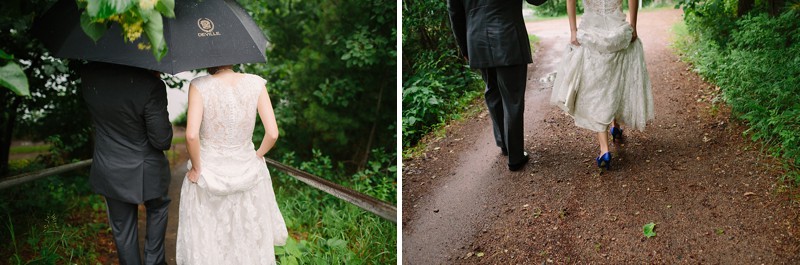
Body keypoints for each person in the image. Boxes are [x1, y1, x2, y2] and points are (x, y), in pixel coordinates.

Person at [176, 65, 288, 264]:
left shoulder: (199, 85)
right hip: (248, 170)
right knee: (247, 237)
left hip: (208, 173)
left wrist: (196, 168)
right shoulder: (256, 83)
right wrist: (258, 156)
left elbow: (192, 135)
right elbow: (272, 133)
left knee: (211, 240)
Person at [80, 62, 173, 265]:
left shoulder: (89, 79)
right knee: (158, 208)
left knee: (122, 228)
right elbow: (161, 140)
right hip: (147, 168)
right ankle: (154, 262)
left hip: (109, 167)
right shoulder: (150, 86)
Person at [550, 0, 654, 170]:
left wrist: (573, 31)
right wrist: (634, 26)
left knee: (597, 87)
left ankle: (604, 149)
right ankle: (615, 126)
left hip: (592, 32)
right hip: (617, 31)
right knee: (615, 78)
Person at [447, 0, 544, 171]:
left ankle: (504, 144)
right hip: (508, 37)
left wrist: (465, 47)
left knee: (492, 90)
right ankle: (515, 157)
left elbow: (454, 12)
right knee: (512, 98)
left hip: (477, 40)